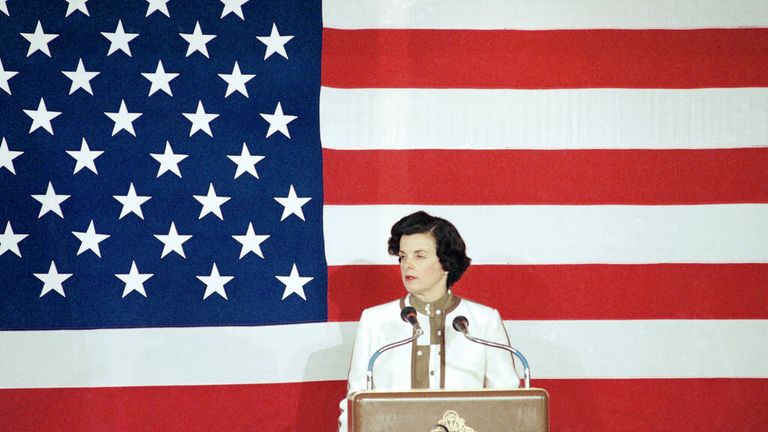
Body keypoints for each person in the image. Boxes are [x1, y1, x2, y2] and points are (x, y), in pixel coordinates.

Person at [338, 211, 519, 431]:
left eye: (419, 256)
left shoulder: (482, 321)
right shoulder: (375, 320)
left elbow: (507, 400)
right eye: (403, 256)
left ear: (446, 264)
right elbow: (356, 401)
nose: (407, 265)